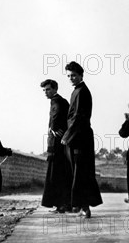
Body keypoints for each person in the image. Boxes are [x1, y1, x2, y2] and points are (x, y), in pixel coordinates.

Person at [61, 62, 103, 218]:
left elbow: (78, 118)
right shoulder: (77, 91)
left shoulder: (81, 92)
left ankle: (84, 207)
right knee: (80, 172)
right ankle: (81, 206)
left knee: (80, 172)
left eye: (73, 75)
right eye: (68, 76)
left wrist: (66, 137)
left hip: (80, 137)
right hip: (78, 136)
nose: (71, 78)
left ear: (80, 75)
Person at [39, 80, 72, 213]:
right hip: (61, 143)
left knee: (56, 174)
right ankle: (64, 204)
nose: (45, 92)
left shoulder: (56, 101)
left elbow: (56, 115)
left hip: (57, 144)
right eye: (44, 90)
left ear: (54, 89)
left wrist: (53, 127)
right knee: (61, 174)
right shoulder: (61, 101)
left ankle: (61, 205)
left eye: (47, 89)